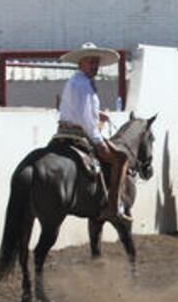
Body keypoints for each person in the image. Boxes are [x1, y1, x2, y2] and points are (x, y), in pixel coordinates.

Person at [54, 42, 127, 222]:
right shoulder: (84, 84)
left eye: (96, 62)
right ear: (81, 63)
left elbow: (76, 110)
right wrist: (99, 141)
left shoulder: (74, 81)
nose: (94, 65)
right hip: (81, 135)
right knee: (120, 158)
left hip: (63, 132)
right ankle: (113, 206)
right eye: (90, 62)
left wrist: (98, 114)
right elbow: (86, 119)